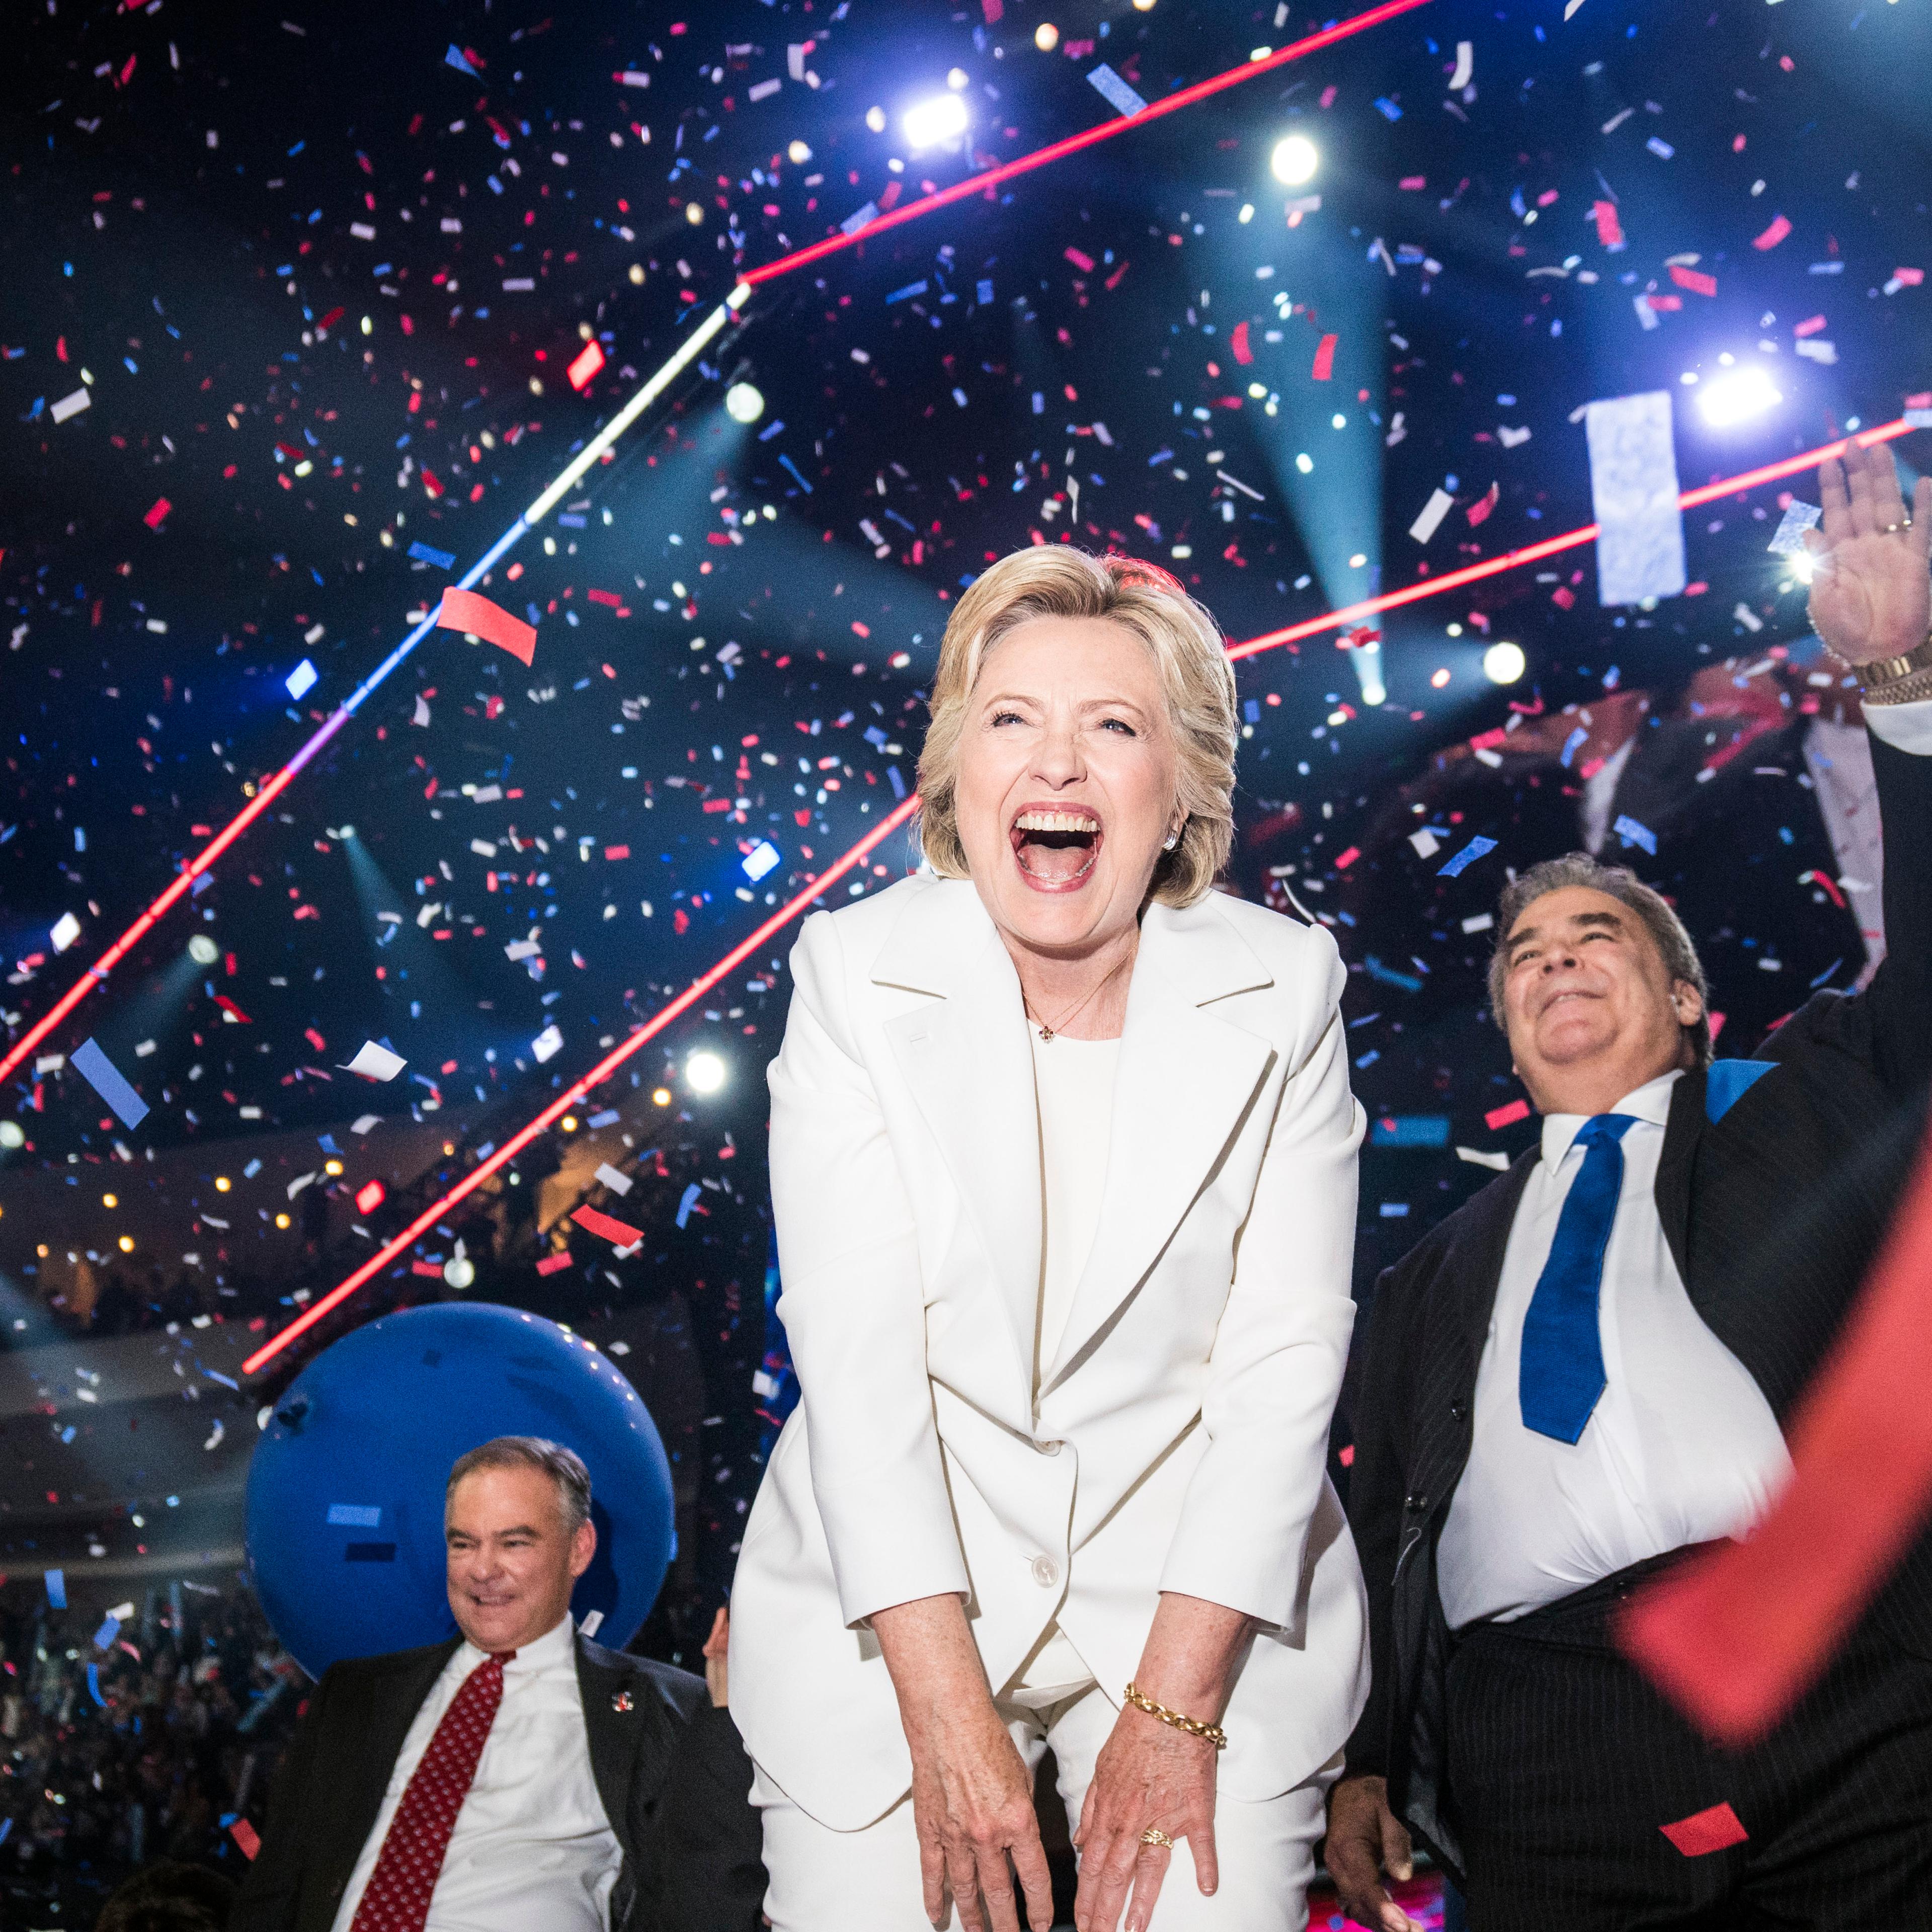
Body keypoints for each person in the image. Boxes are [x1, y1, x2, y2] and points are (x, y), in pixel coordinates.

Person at [1326, 439, 1932, 1931]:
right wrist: (1356, 1759)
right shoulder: (1423, 1276)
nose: (1552, 962)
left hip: (1836, 1679)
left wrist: (1903, 677)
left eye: (1594, 935)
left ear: (1683, 1002)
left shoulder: (1803, 1112)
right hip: (1536, 1740)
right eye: (1523, 956)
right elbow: (1364, 1516)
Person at [730, 548, 1369, 1932]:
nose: (1059, 766)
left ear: (1183, 788)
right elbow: (858, 1372)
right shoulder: (852, 973)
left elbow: (1284, 1364)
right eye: (1012, 718)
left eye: (1116, 726)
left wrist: (1175, 1709)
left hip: (1199, 1604)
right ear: (958, 769)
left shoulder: (1288, 986)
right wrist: (947, 1718)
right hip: (896, 1606)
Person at [232, 1436, 764, 1932]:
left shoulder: (663, 1707)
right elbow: (273, 1890)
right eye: (463, 1544)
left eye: (514, 1543)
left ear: (579, 1549)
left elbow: (703, 1895)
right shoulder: (354, 1695)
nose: (482, 1570)